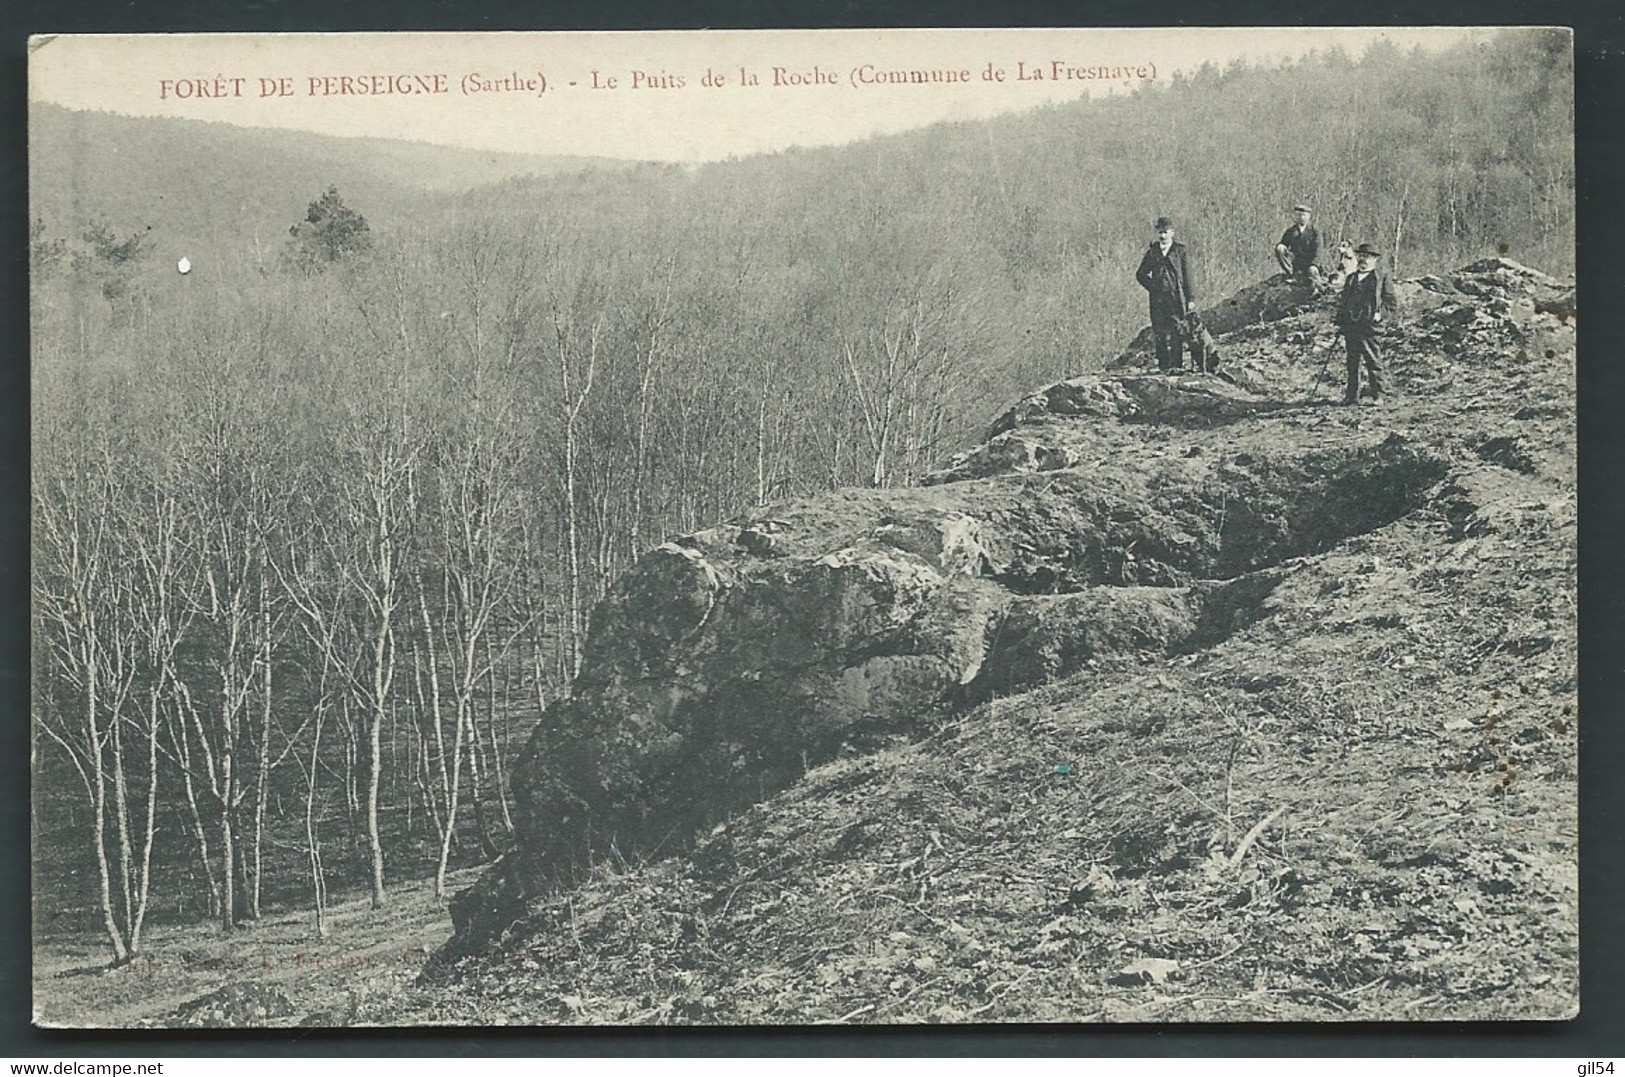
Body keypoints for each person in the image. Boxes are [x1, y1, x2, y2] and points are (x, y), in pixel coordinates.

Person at [1334, 242, 1399, 405]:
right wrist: (1340, 322)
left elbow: (1391, 303)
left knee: (1373, 361)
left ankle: (1379, 395)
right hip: (1351, 326)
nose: (1364, 260)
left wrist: (1379, 315)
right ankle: (1351, 396)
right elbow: (1343, 302)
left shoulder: (1381, 277)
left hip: (1370, 326)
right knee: (1352, 362)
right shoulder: (1351, 279)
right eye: (1361, 256)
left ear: (1375, 259)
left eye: (1368, 257)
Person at [1135, 216, 1197, 374]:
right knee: (1159, 332)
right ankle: (1164, 366)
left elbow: (1188, 276)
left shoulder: (1180, 251)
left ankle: (1176, 366)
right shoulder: (1152, 252)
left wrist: (1191, 299)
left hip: (1176, 298)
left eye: (1165, 232)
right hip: (1157, 300)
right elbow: (1140, 274)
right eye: (1160, 232)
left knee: (1177, 331)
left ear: (1172, 233)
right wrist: (1153, 287)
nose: (1162, 236)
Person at [1275, 204, 1321, 283]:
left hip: (1308, 263)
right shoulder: (1291, 231)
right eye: (1299, 215)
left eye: (1304, 215)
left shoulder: (1314, 233)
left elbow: (1318, 251)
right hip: (1295, 263)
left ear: (1309, 217)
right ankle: (1292, 274)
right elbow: (1283, 244)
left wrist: (1314, 265)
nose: (1302, 218)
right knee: (1280, 248)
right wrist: (1280, 247)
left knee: (1313, 277)